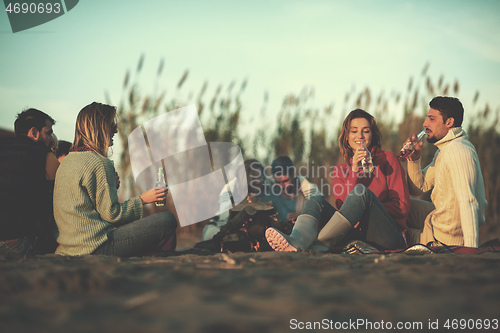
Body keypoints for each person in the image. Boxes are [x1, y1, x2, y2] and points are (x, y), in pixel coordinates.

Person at [266, 109, 410, 251]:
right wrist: (353, 170)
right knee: (315, 199)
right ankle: (296, 241)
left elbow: (402, 207)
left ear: (372, 135)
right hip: (357, 235)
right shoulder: (340, 170)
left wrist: (369, 207)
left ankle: (318, 246)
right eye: (354, 131)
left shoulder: (388, 160)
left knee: (361, 192)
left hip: (387, 236)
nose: (360, 136)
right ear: (347, 137)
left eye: (366, 131)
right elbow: (345, 208)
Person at [54, 102, 177, 257]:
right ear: (100, 128)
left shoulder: (68, 161)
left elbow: (87, 206)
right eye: (111, 124)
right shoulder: (99, 162)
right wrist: (143, 200)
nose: (116, 130)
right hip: (97, 246)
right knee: (167, 220)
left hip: (69, 247)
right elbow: (112, 215)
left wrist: (111, 186)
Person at [404, 96, 486, 248]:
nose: (425, 124)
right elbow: (418, 188)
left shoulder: (457, 150)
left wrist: (470, 249)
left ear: (449, 122)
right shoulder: (446, 149)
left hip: (443, 239)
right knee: (399, 204)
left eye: (432, 119)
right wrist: (414, 159)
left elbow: (468, 201)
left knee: (396, 231)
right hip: (438, 221)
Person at [0, 108, 59, 254]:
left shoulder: (4, 149)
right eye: (48, 132)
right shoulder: (42, 153)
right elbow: (63, 185)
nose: (51, 138)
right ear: (34, 132)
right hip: (20, 242)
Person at [203, 158, 268, 240]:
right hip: (222, 226)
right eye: (254, 178)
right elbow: (225, 221)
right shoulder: (229, 191)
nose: (259, 181)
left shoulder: (265, 186)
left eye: (260, 177)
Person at [265, 156, 324, 222]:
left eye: (285, 181)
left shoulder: (308, 189)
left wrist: (301, 216)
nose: (281, 186)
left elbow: (319, 207)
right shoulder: (270, 191)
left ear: (293, 175)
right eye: (278, 182)